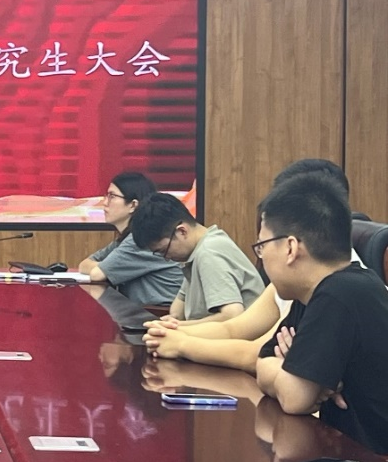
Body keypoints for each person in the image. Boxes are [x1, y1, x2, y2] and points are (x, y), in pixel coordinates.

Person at [142, 159, 370, 372]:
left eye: (263, 244)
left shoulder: (334, 289)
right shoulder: (295, 281)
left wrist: (182, 345)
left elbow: (258, 353)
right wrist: (172, 333)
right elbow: (234, 328)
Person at [254, 172, 388, 454]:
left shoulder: (340, 293)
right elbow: (262, 363)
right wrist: (293, 373)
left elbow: (294, 399)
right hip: (347, 455)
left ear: (290, 247)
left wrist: (297, 377)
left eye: (262, 246)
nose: (261, 256)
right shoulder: (311, 294)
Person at [130, 192, 264, 322]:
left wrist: (180, 327)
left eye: (164, 251)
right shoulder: (197, 250)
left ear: (182, 231)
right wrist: (171, 322)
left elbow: (232, 315)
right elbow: (177, 310)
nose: (167, 258)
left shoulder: (209, 252)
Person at [77, 172, 182, 306]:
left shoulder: (141, 239)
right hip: (145, 310)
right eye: (106, 196)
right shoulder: (126, 238)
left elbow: (96, 274)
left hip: (160, 312)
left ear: (133, 205)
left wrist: (109, 267)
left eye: (112, 196)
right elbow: (84, 265)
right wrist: (110, 266)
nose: (105, 203)